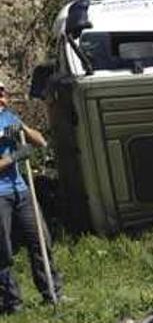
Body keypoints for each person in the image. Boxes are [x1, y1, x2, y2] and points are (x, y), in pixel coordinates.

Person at [0, 80, 63, 314]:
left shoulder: (9, 118)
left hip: (21, 190)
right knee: (3, 251)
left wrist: (23, 130)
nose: (3, 97)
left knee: (41, 240)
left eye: (3, 92)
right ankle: (12, 303)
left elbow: (41, 141)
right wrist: (14, 157)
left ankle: (52, 292)